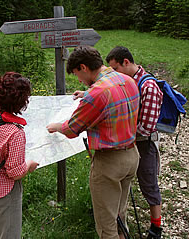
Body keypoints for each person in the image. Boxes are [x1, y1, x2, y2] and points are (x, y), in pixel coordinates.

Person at [46, 46, 140, 239]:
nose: (78, 80)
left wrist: (56, 126)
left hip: (109, 163)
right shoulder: (127, 80)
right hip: (132, 155)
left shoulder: (96, 94)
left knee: (106, 225)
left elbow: (72, 129)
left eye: (77, 74)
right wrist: (86, 93)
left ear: (83, 67)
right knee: (120, 214)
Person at [106, 46, 163, 239]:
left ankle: (156, 228)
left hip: (144, 144)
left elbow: (146, 126)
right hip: (128, 142)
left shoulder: (148, 87)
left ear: (126, 62)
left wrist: (118, 131)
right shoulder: (127, 82)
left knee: (148, 183)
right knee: (124, 183)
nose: (114, 74)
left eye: (115, 69)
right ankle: (120, 220)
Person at [0, 72, 39, 239]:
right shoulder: (14, 132)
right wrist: (29, 165)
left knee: (1, 230)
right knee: (9, 235)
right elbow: (14, 172)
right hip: (4, 192)